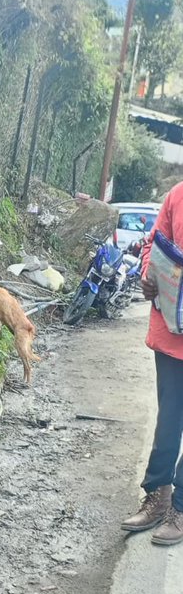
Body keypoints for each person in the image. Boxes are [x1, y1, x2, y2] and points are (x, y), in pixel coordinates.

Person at [122, 181, 183, 545]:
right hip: (172, 331)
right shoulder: (177, 195)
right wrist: (149, 276)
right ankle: (157, 495)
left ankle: (181, 506)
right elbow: (154, 243)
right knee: (169, 418)